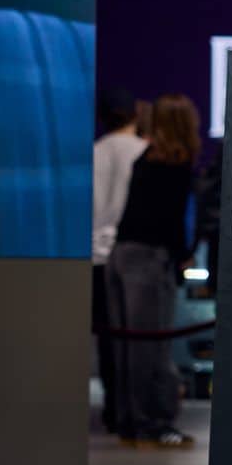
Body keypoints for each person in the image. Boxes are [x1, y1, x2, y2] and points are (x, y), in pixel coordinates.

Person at [107, 93, 200, 448]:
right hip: (148, 260)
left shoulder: (145, 158)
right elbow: (172, 222)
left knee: (128, 347)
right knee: (151, 346)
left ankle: (131, 421)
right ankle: (154, 424)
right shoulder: (176, 163)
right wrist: (183, 256)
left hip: (121, 255)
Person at [92, 88, 147, 433]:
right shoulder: (144, 151)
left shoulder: (95, 152)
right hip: (131, 253)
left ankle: (115, 408)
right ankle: (133, 410)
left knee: (108, 340)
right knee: (138, 340)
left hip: (94, 256)